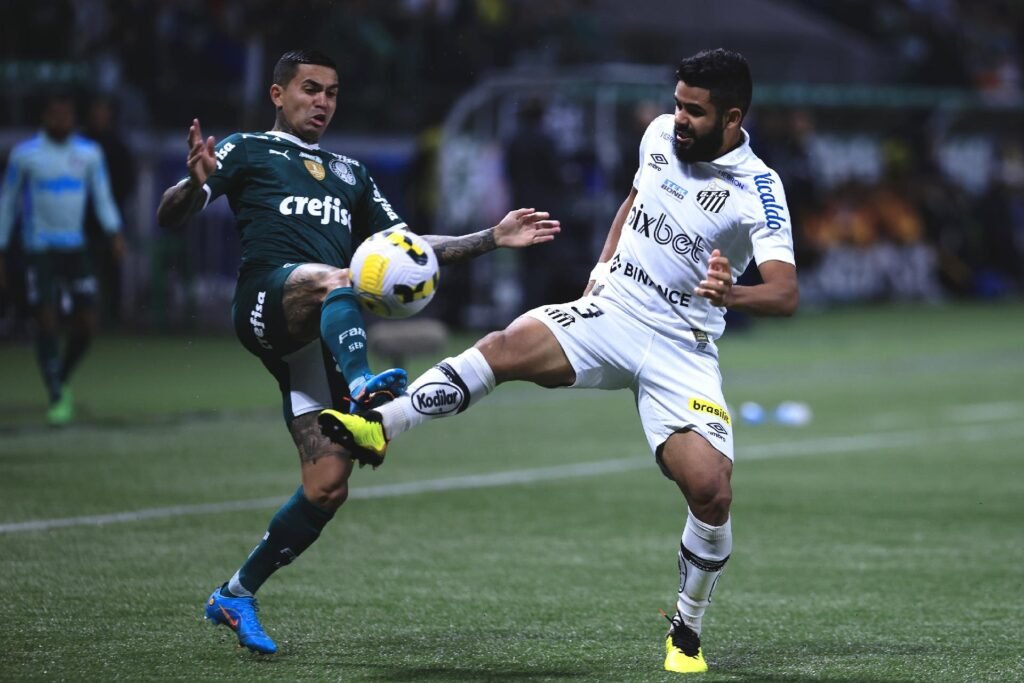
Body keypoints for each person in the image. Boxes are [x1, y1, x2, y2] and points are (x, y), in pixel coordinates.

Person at [321, 48, 799, 675]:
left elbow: (785, 293)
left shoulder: (758, 188)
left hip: (683, 347)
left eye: (695, 111)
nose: (678, 119)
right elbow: (635, 200)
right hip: (613, 311)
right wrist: (599, 271)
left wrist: (731, 293)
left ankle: (686, 630)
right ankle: (380, 425)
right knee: (504, 345)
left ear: (732, 118)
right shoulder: (659, 135)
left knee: (711, 493)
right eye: (678, 104)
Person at [155, 49, 559, 655]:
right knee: (339, 279)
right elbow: (170, 215)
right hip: (267, 301)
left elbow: (410, 247)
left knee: (327, 486)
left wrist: (491, 238)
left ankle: (235, 594)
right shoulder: (245, 150)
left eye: (332, 92)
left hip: (317, 337)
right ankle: (366, 387)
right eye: (310, 89)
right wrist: (193, 183)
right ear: (277, 94)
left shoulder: (351, 173)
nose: (322, 101)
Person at [0, 93, 123, 426]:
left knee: (87, 323)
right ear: (45, 117)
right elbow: (8, 202)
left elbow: (102, 196)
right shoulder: (25, 156)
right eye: (56, 115)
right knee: (45, 317)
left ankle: (60, 377)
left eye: (67, 115)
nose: (62, 121)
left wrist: (114, 232)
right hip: (39, 248)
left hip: (75, 247)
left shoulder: (89, 154)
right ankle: (56, 393)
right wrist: (2, 246)